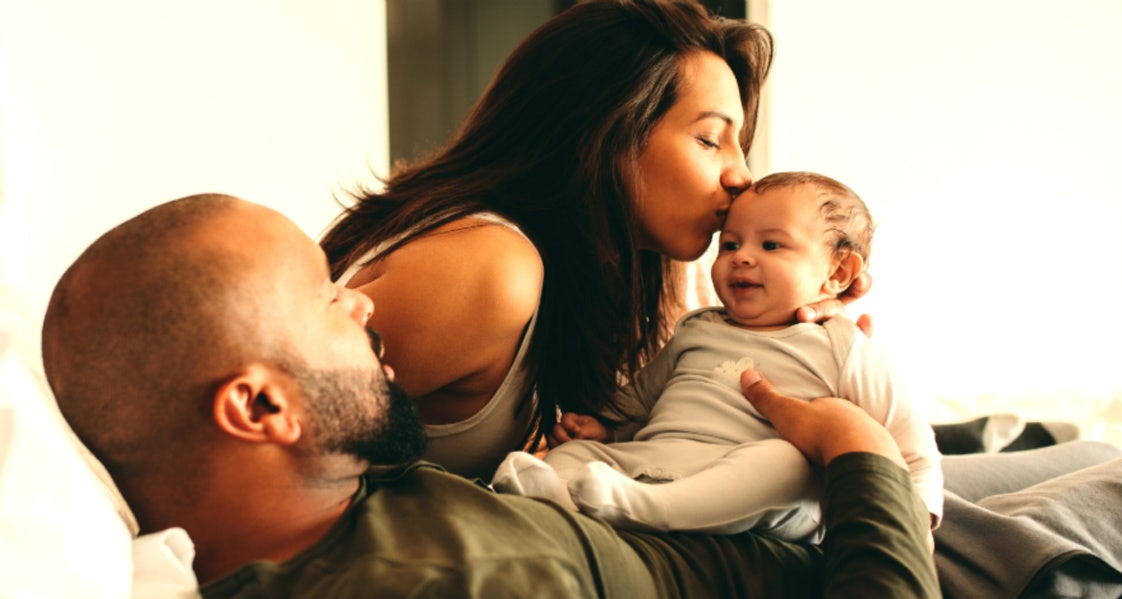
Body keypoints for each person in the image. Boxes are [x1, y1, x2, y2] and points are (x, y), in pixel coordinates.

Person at [41, 194, 940, 597]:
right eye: (326, 296)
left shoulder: (339, 488)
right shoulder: (451, 586)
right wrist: (852, 445)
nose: (361, 299)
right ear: (260, 410)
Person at [318, 0, 871, 481]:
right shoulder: (488, 267)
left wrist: (784, 337)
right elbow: (268, 446)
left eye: (740, 145)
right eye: (710, 139)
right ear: (603, 133)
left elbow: (645, 448)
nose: (742, 176)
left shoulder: (613, 274)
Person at [491, 171, 941, 544]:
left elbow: (911, 445)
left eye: (770, 246)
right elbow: (641, 399)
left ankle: (644, 509)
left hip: (752, 492)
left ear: (838, 272)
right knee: (582, 453)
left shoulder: (841, 346)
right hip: (654, 461)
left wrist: (915, 522)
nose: (741, 258)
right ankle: (557, 496)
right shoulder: (698, 326)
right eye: (729, 245)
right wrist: (604, 426)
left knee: (787, 464)